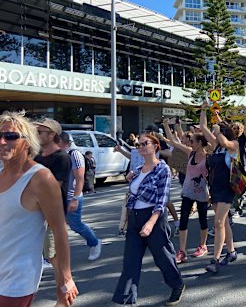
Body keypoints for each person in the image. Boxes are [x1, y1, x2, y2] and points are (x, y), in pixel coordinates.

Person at [0, 112, 78, 307]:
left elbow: (59, 231)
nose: (2, 141)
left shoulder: (41, 178)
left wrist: (65, 280)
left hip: (16, 281)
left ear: (27, 141)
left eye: (10, 136)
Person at [112, 134, 185, 306]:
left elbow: (162, 200)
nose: (141, 147)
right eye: (139, 144)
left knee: (163, 257)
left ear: (155, 146)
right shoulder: (137, 169)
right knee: (130, 260)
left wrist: (150, 223)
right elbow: (133, 193)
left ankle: (177, 284)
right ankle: (126, 299)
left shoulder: (163, 169)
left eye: (145, 143)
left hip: (154, 218)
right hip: (135, 218)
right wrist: (129, 179)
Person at [162, 119, 210, 263]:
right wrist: (166, 126)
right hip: (188, 191)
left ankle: (203, 245)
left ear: (200, 143)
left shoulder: (208, 158)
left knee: (203, 220)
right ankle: (182, 251)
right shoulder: (190, 153)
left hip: (202, 193)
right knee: (183, 220)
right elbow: (173, 142)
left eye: (193, 142)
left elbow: (212, 176)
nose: (190, 144)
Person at [199, 102, 239, 273]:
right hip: (215, 188)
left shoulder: (234, 145)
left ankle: (215, 259)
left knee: (218, 222)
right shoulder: (216, 148)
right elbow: (202, 126)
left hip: (227, 189)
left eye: (217, 132)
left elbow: (223, 141)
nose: (214, 135)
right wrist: (203, 110)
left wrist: (218, 128)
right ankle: (231, 251)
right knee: (224, 223)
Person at [34, 119, 72, 275]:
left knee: (51, 253)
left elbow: (55, 185)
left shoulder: (61, 157)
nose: (36, 135)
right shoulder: (37, 157)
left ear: (51, 135)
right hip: (34, 210)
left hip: (52, 212)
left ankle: (64, 280)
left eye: (40, 132)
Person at [58, 132, 102, 261]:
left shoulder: (74, 154)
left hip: (71, 195)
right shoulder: (60, 154)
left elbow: (80, 178)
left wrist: (75, 198)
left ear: (64, 142)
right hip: (60, 195)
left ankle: (94, 242)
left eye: (58, 141)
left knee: (75, 224)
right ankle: (51, 256)